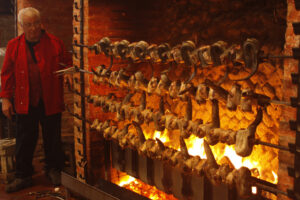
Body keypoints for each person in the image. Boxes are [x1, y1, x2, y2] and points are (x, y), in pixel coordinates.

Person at [0, 7, 72, 193]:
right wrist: (6, 99)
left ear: (41, 24)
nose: (33, 28)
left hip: (50, 99)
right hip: (25, 101)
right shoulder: (13, 46)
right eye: (28, 25)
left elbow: (68, 63)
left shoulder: (55, 43)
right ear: (21, 26)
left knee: (52, 138)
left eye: (36, 24)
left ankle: (53, 169)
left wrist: (71, 74)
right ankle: (22, 175)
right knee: (25, 139)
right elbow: (7, 74)